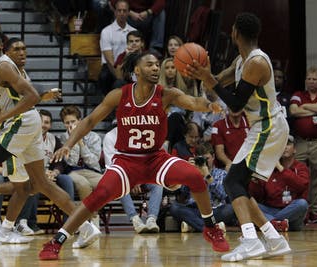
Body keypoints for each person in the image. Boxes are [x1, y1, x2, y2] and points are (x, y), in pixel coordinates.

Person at [38, 52, 229, 260]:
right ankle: (57, 241)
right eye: (150, 65)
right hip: (127, 161)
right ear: (137, 70)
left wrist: (210, 106)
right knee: (99, 195)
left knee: (194, 175)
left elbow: (193, 102)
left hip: (156, 158)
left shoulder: (166, 94)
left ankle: (210, 228)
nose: (156, 68)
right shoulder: (119, 95)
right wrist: (68, 143)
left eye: (157, 65)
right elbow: (91, 120)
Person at [185, 12, 291, 261]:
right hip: (262, 126)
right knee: (238, 185)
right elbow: (217, 82)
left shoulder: (256, 63)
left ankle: (251, 241)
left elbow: (234, 104)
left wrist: (209, 80)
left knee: (232, 183)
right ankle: (272, 238)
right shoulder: (241, 61)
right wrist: (202, 75)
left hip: (269, 126)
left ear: (234, 33)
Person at [0, 28, 97, 251]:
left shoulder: (4, 66)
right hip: (27, 122)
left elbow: (33, 97)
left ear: (0, 46)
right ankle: (85, 226)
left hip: (22, 122)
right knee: (41, 184)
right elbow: (0, 105)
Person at [289, 66, 317, 223]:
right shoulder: (298, 95)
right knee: (296, 174)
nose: (311, 81)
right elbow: (294, 111)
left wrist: (306, 107)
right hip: (301, 141)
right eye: (308, 78)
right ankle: (298, 209)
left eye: (314, 79)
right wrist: (316, 109)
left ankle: (314, 211)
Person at [103, 126, 162, 233]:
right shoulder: (110, 137)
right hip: (119, 176)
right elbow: (112, 166)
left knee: (157, 183)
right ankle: (135, 219)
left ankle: (151, 219)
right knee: (119, 182)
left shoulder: (141, 133)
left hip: (140, 177)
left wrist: (138, 180)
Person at [170, 142, 237, 232]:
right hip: (194, 209)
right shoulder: (192, 172)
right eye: (201, 159)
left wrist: (207, 176)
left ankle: (195, 226)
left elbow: (222, 195)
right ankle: (211, 228)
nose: (204, 162)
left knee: (229, 209)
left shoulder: (221, 173)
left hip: (214, 210)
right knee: (174, 208)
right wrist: (188, 172)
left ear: (213, 157)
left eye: (207, 159)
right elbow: (183, 192)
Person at [248, 135, 309, 231]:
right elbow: (259, 196)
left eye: (288, 144)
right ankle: (278, 224)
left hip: (292, 213)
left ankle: (273, 223)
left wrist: (281, 169)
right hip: (271, 209)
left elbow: (301, 186)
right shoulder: (269, 168)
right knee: (249, 204)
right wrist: (254, 182)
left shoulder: (301, 168)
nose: (284, 147)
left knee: (302, 204)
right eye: (282, 145)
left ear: (295, 150)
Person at [59, 105, 102, 202]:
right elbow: (71, 162)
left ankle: (90, 215)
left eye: (73, 121)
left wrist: (81, 142)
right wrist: (73, 140)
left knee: (106, 183)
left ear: (80, 120)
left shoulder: (94, 137)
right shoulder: (62, 139)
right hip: (71, 171)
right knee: (83, 184)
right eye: (67, 123)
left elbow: (93, 162)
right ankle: (93, 216)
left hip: (91, 170)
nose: (70, 125)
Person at [98, 0, 136, 94]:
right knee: (106, 77)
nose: (122, 13)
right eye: (119, 10)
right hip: (111, 67)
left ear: (128, 12)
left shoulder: (134, 32)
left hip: (129, 67)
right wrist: (119, 76)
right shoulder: (106, 32)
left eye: (124, 11)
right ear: (115, 12)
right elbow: (110, 60)